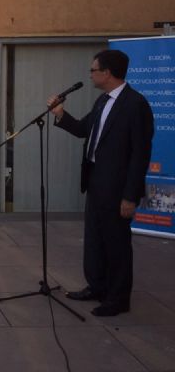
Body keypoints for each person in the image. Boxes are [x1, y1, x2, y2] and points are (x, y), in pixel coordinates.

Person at [47, 49, 154, 317]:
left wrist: (130, 196)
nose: (90, 74)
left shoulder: (135, 104)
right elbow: (84, 130)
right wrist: (60, 114)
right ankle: (97, 286)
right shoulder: (102, 102)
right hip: (95, 183)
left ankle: (117, 299)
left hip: (118, 190)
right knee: (95, 240)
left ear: (107, 73)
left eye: (93, 70)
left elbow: (140, 155)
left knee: (116, 244)